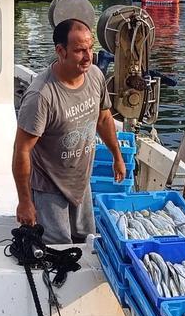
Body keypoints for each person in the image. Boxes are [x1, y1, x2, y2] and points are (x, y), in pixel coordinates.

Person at [14, 17, 126, 244]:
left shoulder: (95, 75)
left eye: (90, 48)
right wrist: (25, 201)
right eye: (79, 51)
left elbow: (104, 119)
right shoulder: (41, 95)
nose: (88, 57)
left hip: (81, 182)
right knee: (57, 250)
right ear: (61, 51)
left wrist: (117, 156)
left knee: (87, 241)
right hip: (49, 187)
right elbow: (22, 151)